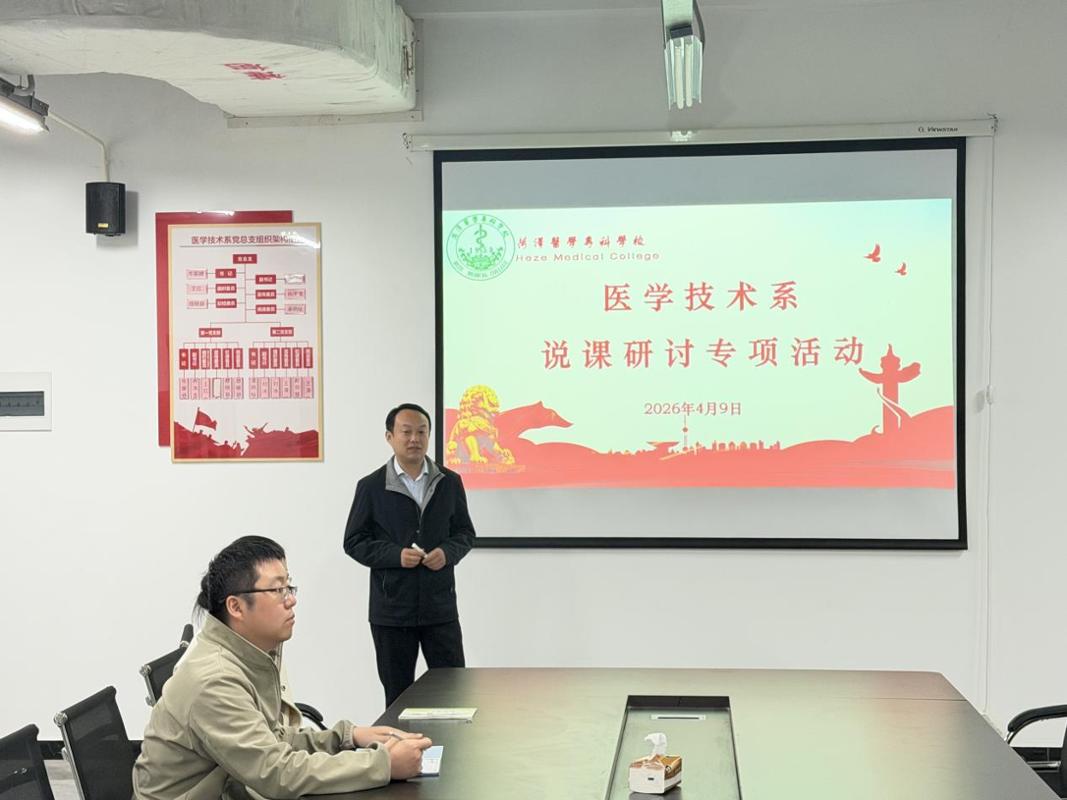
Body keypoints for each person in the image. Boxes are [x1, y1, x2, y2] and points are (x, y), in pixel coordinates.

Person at [132, 536, 431, 800]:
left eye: (289, 586)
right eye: (277, 590)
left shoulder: (245, 655)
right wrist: (383, 764)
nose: (291, 600)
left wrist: (347, 738)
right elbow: (275, 773)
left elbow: (271, 742)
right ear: (236, 607)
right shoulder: (214, 679)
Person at [344, 403, 476, 707]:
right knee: (398, 697)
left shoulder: (449, 482)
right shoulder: (371, 486)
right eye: (406, 432)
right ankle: (399, 742)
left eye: (421, 432)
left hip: (440, 608)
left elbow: (465, 533)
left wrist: (446, 553)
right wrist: (395, 556)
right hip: (391, 612)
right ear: (389, 437)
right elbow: (354, 541)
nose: (414, 438)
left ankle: (449, 741)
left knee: (452, 692)